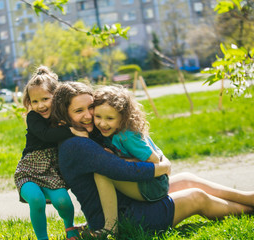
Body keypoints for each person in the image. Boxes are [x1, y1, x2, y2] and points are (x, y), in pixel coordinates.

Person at [50, 81, 254, 236]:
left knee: (187, 179)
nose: (88, 115)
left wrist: (159, 161)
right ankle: (248, 211)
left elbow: (135, 148)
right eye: (78, 111)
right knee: (196, 197)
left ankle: (249, 198)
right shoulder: (77, 145)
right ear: (63, 116)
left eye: (90, 107)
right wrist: (162, 167)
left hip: (130, 201)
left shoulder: (88, 134)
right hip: (124, 218)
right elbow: (121, 170)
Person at [14, 67, 82, 240]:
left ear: (56, 96)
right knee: (36, 200)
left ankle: (70, 229)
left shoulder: (62, 116)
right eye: (35, 101)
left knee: (63, 202)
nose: (40, 105)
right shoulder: (33, 117)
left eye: (45, 99)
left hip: (51, 170)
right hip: (29, 169)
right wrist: (71, 131)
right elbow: (46, 135)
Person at [92, 85, 169, 231]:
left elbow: (154, 161)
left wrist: (119, 161)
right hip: (141, 180)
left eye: (110, 118)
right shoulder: (110, 131)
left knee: (102, 174)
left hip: (153, 186)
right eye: (98, 117)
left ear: (123, 118)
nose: (102, 123)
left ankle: (110, 228)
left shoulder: (127, 136)